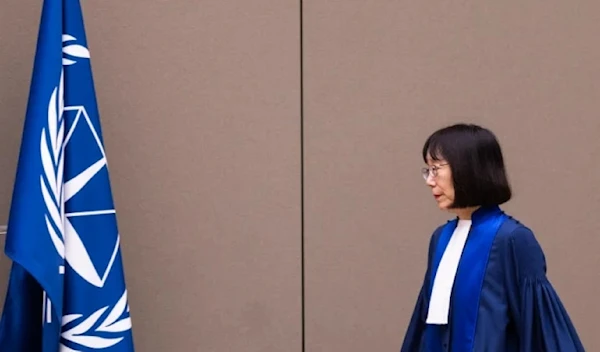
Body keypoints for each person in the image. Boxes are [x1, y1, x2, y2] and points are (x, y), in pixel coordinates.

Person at [400, 123, 585, 351]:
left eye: (436, 169)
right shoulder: (441, 239)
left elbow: (540, 328)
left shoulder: (512, 239)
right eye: (427, 170)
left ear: (468, 169)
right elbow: (426, 326)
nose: (429, 180)